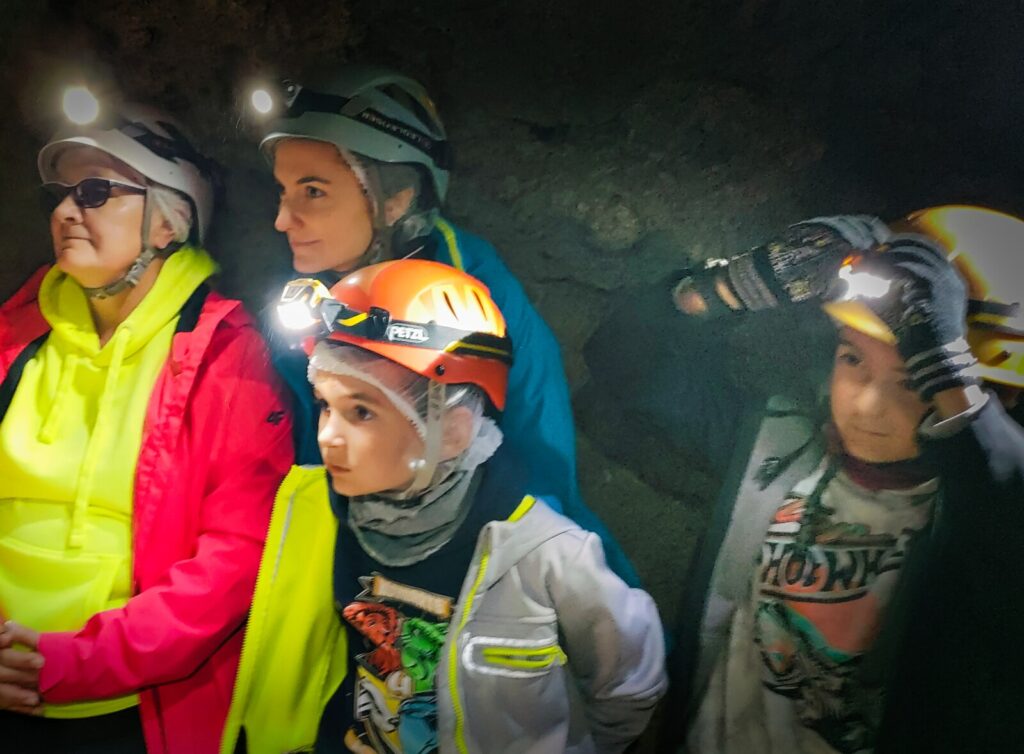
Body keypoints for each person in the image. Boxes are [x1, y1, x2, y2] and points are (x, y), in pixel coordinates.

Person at [583, 206, 1024, 753]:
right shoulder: (778, 449)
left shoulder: (978, 532)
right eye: (852, 358)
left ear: (997, 392)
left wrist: (952, 376)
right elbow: (621, 362)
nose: (865, 403)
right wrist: (724, 288)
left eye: (912, 381)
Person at [220, 259, 666, 754]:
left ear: (451, 432)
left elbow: (629, 685)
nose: (327, 435)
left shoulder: (546, 554)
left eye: (361, 411)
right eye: (325, 404)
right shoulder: (316, 512)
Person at [251, 65, 639, 586]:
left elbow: (543, 472)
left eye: (313, 192)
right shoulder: (310, 294)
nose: (282, 220)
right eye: (283, 191)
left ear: (397, 199)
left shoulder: (480, 306)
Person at [0, 99, 293, 753]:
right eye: (61, 194)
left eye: (96, 191)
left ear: (169, 222)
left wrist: (72, 665)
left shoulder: (225, 355)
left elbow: (234, 560)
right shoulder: (15, 336)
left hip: (126, 705)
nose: (65, 211)